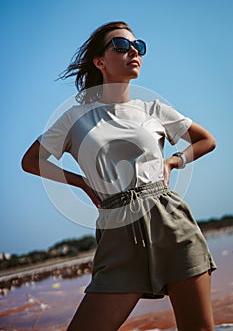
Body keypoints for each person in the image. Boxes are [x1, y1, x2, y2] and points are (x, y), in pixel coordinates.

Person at [21, 21, 217, 331]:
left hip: (170, 222)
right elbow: (31, 161)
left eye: (138, 46)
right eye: (122, 46)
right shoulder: (74, 118)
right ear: (99, 62)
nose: (133, 52)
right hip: (117, 230)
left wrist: (172, 162)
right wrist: (81, 182)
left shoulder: (154, 109)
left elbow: (207, 140)